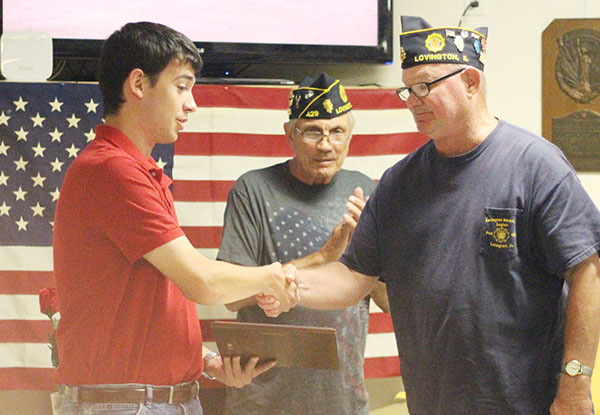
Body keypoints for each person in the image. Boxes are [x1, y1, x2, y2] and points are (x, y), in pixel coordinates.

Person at [258, 16, 600, 415]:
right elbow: (353, 277)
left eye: (424, 86)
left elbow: (587, 269)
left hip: (526, 402)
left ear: (471, 82)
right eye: (407, 89)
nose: (413, 99)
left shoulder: (535, 165)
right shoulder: (398, 183)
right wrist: (290, 285)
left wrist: (576, 383)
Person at [52, 22, 296, 415]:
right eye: (181, 86)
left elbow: (146, 305)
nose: (192, 103)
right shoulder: (111, 170)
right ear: (138, 84)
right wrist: (270, 277)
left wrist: (207, 361)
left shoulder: (136, 170)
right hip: (126, 406)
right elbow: (200, 280)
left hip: (153, 400)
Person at [217, 72, 389, 415]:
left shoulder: (365, 192)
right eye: (313, 131)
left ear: (350, 136)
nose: (326, 145)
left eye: (337, 132)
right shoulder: (253, 190)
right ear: (290, 135)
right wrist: (325, 255)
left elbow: (387, 301)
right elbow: (230, 294)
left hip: (343, 400)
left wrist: (375, 256)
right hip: (261, 399)